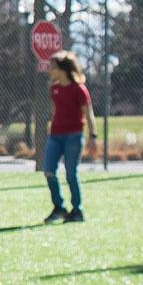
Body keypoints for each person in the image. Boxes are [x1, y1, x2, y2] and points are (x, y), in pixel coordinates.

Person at [42, 51, 97, 224]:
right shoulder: (54, 89)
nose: (49, 71)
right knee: (49, 170)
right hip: (56, 136)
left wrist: (93, 136)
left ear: (62, 69)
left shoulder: (79, 90)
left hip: (74, 136)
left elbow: (89, 114)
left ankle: (77, 210)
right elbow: (56, 110)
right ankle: (59, 207)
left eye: (52, 67)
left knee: (71, 173)